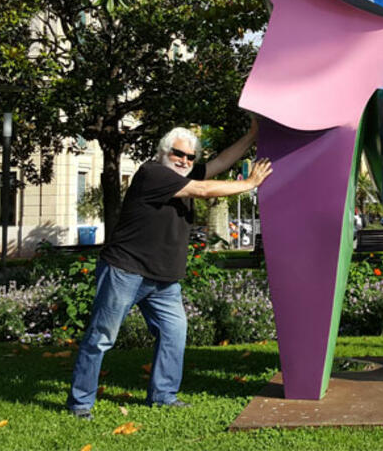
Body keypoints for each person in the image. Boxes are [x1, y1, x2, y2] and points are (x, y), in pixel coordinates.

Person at [67, 123, 273, 419]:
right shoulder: (153, 173)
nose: (185, 161)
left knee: (175, 333)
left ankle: (163, 395)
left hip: (163, 280)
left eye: (190, 157)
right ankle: (80, 403)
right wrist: (249, 183)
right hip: (125, 270)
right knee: (101, 337)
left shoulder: (183, 175)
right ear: (164, 151)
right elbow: (202, 190)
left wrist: (253, 134)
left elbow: (219, 163)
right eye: (179, 154)